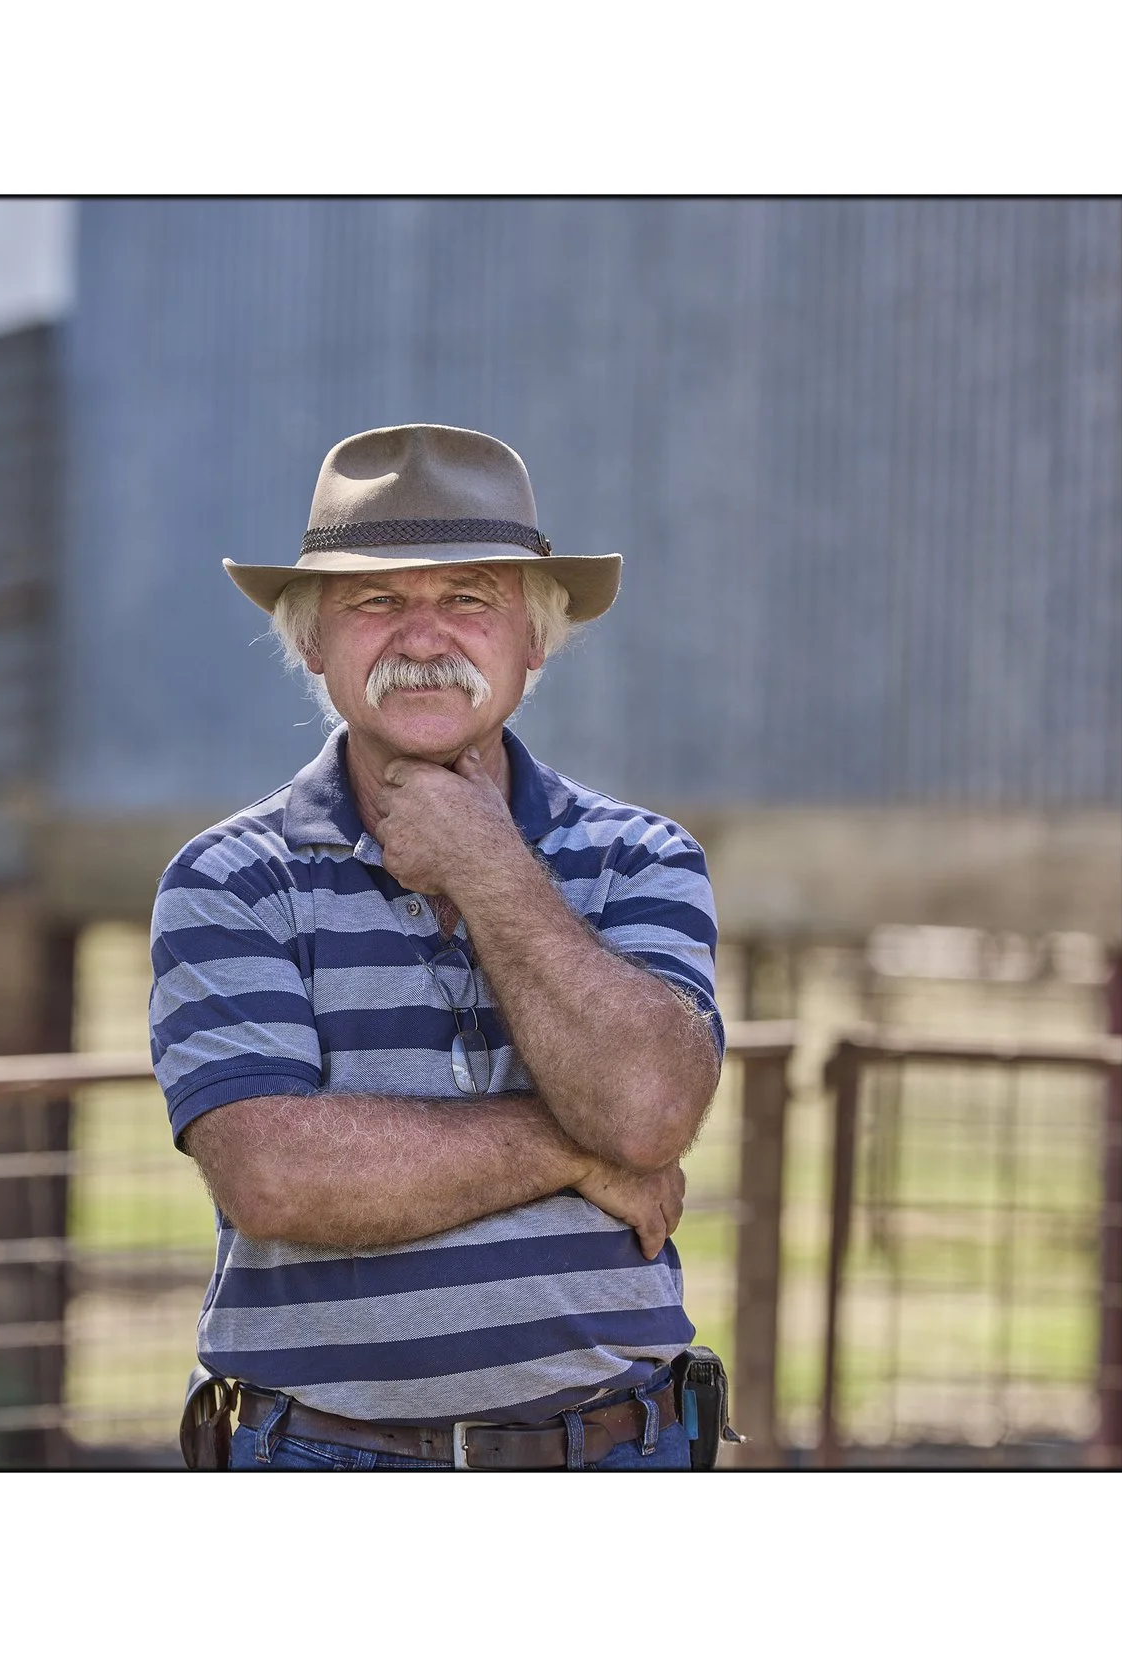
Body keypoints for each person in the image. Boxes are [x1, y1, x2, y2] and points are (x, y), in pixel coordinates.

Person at [152, 423, 727, 1470]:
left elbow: (647, 1107)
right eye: (375, 601)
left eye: (469, 597)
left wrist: (487, 864)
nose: (424, 636)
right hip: (321, 1462)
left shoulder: (641, 856)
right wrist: (576, 1147)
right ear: (313, 639)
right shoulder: (228, 877)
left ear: (534, 637)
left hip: (608, 1456)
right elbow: (277, 1178)